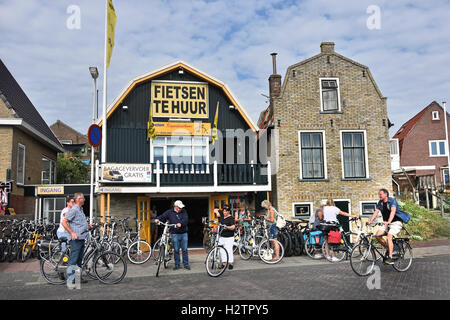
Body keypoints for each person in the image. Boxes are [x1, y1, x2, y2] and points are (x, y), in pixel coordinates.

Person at [368, 188, 407, 265]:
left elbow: (393, 212)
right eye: (379, 194)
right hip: (386, 223)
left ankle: (390, 257)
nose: (379, 195)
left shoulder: (392, 201)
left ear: (386, 194)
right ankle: (388, 249)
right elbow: (376, 212)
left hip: (396, 222)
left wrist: (389, 221)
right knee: (377, 236)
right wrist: (370, 221)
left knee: (389, 236)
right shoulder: (380, 202)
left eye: (380, 194)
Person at [61, 192, 90, 288]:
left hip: (81, 238)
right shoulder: (74, 210)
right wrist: (72, 233)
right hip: (75, 239)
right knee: (73, 260)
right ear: (78, 199)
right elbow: (64, 222)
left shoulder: (80, 209)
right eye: (83, 198)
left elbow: (78, 222)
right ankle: (70, 281)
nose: (84, 199)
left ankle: (77, 279)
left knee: (79, 260)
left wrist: (87, 225)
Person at [154, 200, 190, 270]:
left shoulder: (184, 211)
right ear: (175, 207)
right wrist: (157, 219)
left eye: (181, 207)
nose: (180, 209)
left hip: (183, 233)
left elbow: (186, 219)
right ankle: (177, 265)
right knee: (176, 250)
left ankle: (186, 264)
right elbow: (163, 216)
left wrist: (181, 224)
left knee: (184, 249)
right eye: (179, 207)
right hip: (175, 233)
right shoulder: (169, 212)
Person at [214, 205, 236, 270]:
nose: (224, 212)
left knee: (228, 250)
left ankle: (230, 263)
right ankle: (224, 263)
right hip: (221, 236)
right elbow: (215, 209)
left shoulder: (231, 218)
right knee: (221, 250)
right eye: (223, 211)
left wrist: (227, 227)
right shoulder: (221, 214)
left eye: (226, 211)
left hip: (229, 237)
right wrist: (217, 213)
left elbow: (233, 227)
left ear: (229, 212)